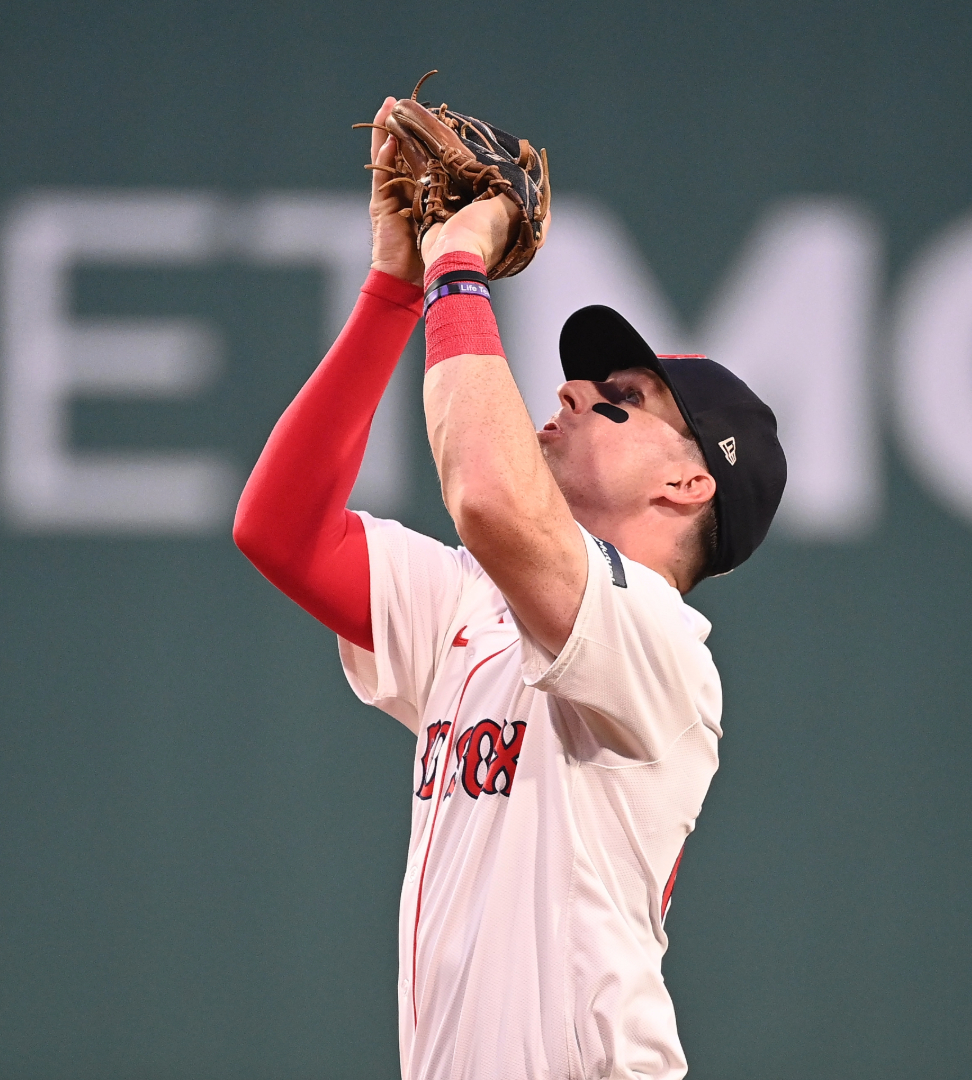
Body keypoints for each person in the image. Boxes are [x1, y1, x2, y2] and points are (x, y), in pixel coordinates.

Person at [233, 96, 786, 1080]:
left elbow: (486, 493)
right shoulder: (472, 609)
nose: (573, 391)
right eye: (585, 383)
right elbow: (281, 530)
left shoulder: (661, 648)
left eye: (623, 402)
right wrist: (394, 291)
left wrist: (459, 265)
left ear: (687, 483)